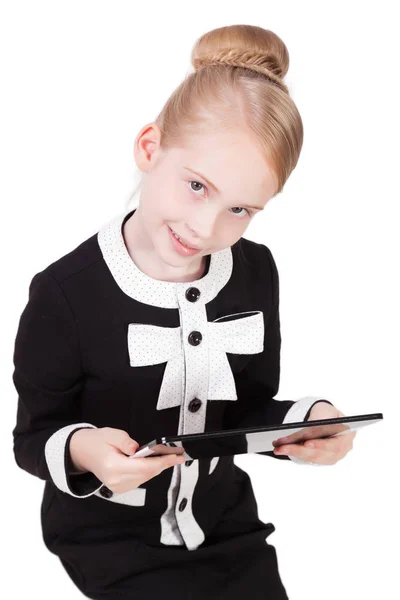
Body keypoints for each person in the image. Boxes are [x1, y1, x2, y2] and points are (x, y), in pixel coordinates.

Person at [11, 24, 353, 600]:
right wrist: (85, 450)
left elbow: (241, 410)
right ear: (150, 148)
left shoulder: (255, 273)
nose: (207, 228)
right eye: (197, 186)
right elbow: (32, 437)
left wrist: (305, 420)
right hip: (110, 537)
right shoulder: (64, 293)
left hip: (226, 524)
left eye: (241, 208)